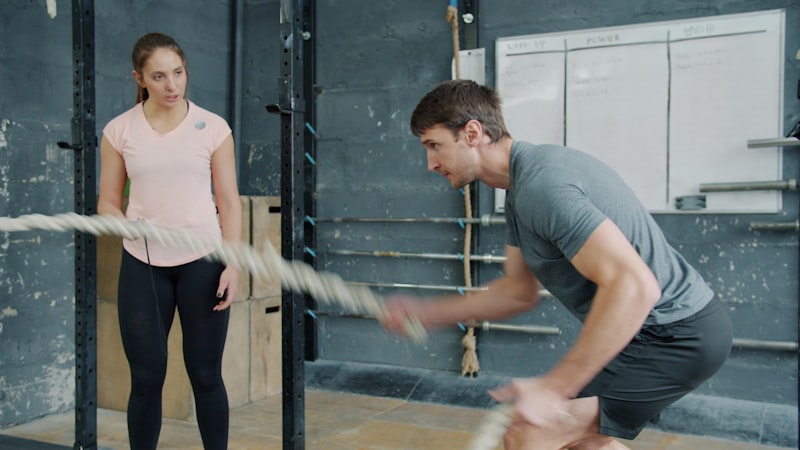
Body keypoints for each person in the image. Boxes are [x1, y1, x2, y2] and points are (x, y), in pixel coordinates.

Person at [380, 79, 732, 450]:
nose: (431, 163)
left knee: (531, 433)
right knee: (576, 440)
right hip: (648, 333)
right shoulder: (519, 190)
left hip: (673, 335)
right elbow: (517, 291)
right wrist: (427, 312)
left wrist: (553, 387)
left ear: (472, 133)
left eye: (434, 145)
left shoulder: (542, 186)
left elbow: (635, 286)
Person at [97, 32, 242, 450]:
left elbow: (229, 203)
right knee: (145, 379)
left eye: (177, 73)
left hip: (204, 261)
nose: (172, 85)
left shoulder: (213, 127)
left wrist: (233, 264)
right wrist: (125, 225)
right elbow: (108, 202)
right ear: (139, 78)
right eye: (158, 77)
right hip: (142, 264)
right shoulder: (119, 130)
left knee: (205, 375)